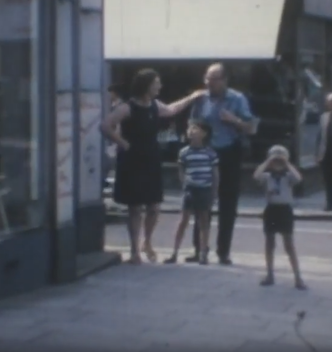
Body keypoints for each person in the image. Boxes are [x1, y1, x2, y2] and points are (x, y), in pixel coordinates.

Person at [99, 68, 203, 265]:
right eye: (156, 83)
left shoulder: (155, 105)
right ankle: (134, 251)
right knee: (135, 207)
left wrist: (192, 97)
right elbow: (105, 125)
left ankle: (147, 241)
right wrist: (122, 143)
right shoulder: (128, 107)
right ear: (146, 85)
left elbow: (172, 109)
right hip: (131, 159)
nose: (160, 86)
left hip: (151, 158)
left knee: (154, 205)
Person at [185, 63, 257, 266]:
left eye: (214, 79)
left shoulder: (237, 99)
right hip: (205, 153)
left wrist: (234, 120)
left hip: (228, 153)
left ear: (225, 80)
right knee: (201, 201)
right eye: (207, 78)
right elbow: (191, 123)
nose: (209, 83)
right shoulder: (200, 98)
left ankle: (223, 251)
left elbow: (251, 128)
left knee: (227, 202)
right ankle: (200, 249)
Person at [164, 120, 218, 265]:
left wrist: (214, 192)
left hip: (205, 189)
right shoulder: (184, 152)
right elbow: (181, 170)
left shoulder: (210, 153)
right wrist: (185, 184)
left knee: (204, 221)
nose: (191, 131)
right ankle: (174, 252)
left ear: (204, 134)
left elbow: (215, 173)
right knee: (183, 220)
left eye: (196, 129)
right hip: (191, 189)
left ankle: (203, 253)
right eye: (190, 128)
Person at [253, 145, 306, 290]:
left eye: (280, 160)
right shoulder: (267, 176)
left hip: (285, 210)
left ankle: (297, 277)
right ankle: (269, 273)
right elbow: (256, 175)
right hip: (271, 209)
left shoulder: (288, 176)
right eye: (275, 161)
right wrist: (267, 162)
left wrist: (287, 163)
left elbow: (298, 178)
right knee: (270, 243)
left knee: (289, 245)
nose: (277, 163)